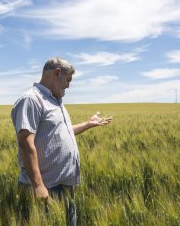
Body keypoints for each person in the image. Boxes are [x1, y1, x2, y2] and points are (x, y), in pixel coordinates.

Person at [11, 57, 112, 225]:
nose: (68, 85)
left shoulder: (55, 101)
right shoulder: (32, 100)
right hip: (46, 187)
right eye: (68, 80)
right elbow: (25, 143)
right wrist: (38, 186)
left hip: (64, 185)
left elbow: (60, 133)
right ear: (57, 73)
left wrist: (88, 124)